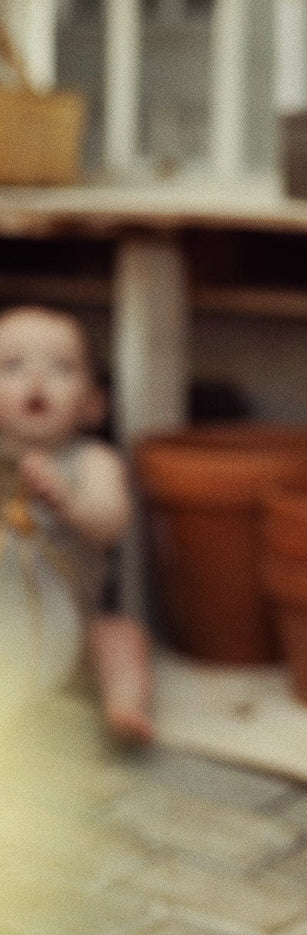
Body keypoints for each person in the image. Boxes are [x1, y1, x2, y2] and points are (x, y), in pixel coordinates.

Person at [0, 304, 155, 742]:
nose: (36, 381)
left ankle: (124, 705)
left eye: (60, 367)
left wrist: (68, 500)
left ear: (93, 404)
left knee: (122, 635)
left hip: (75, 626)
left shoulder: (92, 461)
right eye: (12, 366)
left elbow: (111, 524)